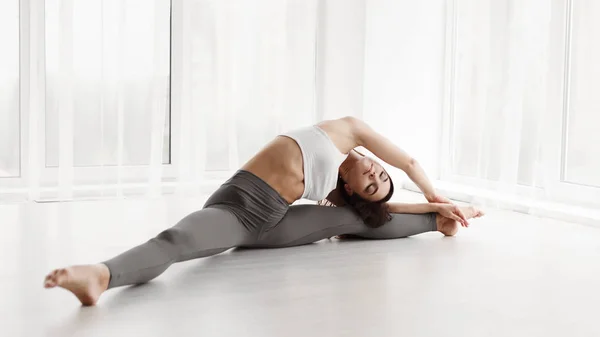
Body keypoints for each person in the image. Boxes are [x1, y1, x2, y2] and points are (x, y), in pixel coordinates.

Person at [44, 117, 484, 306]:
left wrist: (434, 210)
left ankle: (436, 225)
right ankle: (102, 275)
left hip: (274, 221)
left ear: (352, 189)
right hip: (236, 212)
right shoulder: (349, 129)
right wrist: (440, 195)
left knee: (357, 221)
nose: (375, 175)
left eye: (374, 186)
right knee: (177, 242)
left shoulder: (335, 191)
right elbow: (408, 163)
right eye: (378, 175)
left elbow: (383, 208)